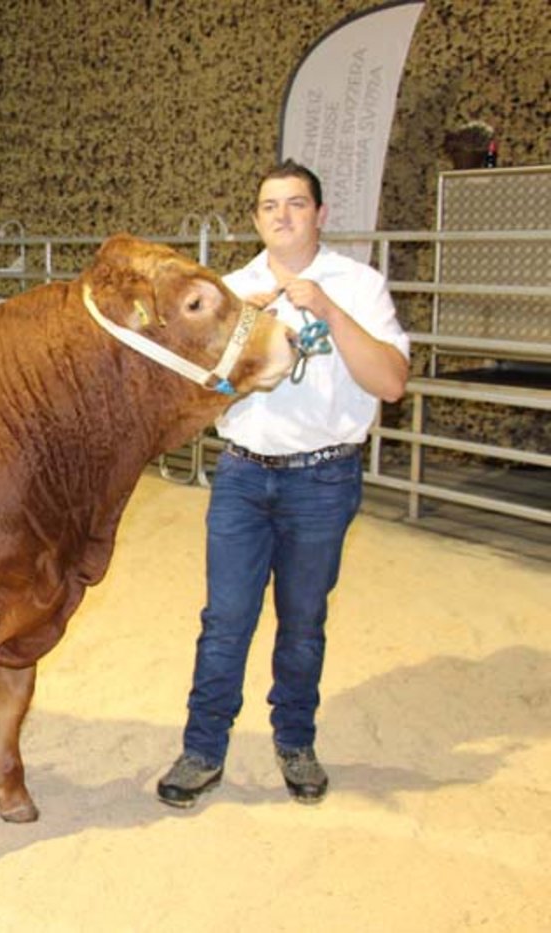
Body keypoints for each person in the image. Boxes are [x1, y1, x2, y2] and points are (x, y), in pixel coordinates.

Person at [156, 159, 410, 808]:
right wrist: (242, 328)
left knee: (302, 622)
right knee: (225, 619)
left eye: (296, 204)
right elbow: (195, 392)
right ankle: (202, 748)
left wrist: (324, 307)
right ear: (255, 219)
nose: (283, 216)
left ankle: (295, 740)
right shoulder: (230, 290)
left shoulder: (358, 284)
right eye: (270, 206)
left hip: (321, 479)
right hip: (243, 473)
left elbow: (390, 382)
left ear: (320, 215)